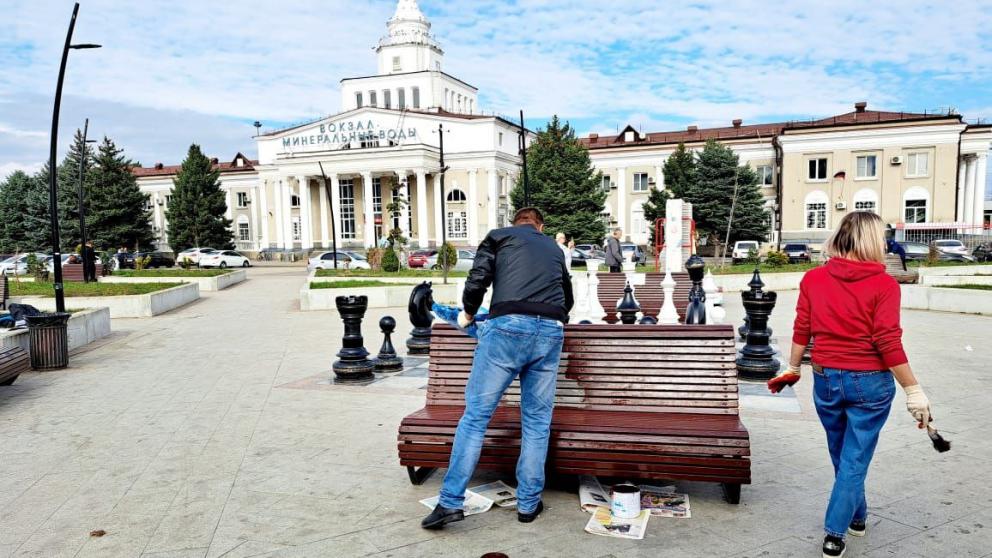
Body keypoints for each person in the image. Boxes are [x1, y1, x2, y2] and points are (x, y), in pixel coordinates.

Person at [775, 211, 932, 558]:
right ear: (874, 241)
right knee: (854, 457)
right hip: (870, 382)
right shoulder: (884, 285)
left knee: (842, 454)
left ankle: (857, 517)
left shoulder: (814, 279)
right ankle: (835, 534)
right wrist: (913, 389)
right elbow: (887, 341)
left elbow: (803, 328)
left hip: (826, 378)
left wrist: (793, 367)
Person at [421, 207, 573, 530]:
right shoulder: (554, 248)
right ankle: (528, 504)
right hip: (550, 331)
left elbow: (478, 279)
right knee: (537, 422)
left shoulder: (498, 237)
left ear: (515, 223)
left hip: (507, 329)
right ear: (540, 226)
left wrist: (467, 314)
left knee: (476, 418)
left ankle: (450, 503)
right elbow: (568, 300)